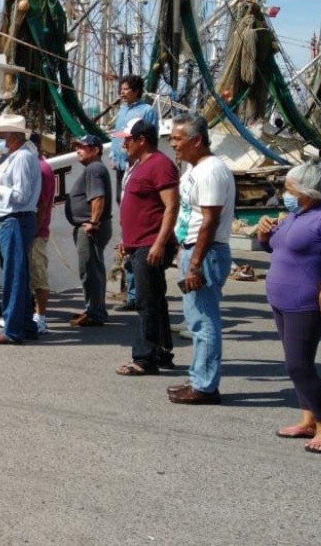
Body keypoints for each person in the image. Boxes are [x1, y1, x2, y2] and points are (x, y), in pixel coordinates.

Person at [256, 162, 321, 453]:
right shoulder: (293, 216)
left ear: (306, 191)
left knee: (298, 366)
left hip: (306, 305)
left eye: (289, 189)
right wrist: (264, 233)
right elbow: (277, 248)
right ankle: (308, 419)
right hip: (282, 303)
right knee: (297, 364)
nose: (284, 193)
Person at [167, 113, 235, 405]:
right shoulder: (197, 169)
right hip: (194, 248)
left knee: (204, 321)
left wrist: (195, 263)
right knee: (196, 319)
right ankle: (199, 377)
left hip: (205, 253)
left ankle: (205, 386)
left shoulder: (211, 171)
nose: (173, 144)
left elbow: (209, 220)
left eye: (178, 139)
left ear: (197, 140)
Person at [113, 119, 180, 376]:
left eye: (127, 139)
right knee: (155, 299)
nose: (124, 144)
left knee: (146, 302)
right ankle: (162, 350)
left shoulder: (160, 165)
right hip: (138, 243)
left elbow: (171, 206)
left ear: (142, 140)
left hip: (150, 244)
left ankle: (144, 358)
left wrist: (160, 242)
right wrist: (126, 238)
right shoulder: (139, 166)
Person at [0, 114, 41, 345]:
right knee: (18, 274)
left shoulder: (22, 158)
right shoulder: (17, 156)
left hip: (15, 219)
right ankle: (25, 324)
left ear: (13, 137)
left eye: (1, 136)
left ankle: (13, 329)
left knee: (13, 276)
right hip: (12, 220)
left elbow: (20, 195)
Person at [111, 75, 159, 311]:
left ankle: (137, 294)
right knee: (126, 226)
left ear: (137, 91)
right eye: (121, 89)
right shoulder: (122, 112)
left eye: (126, 89)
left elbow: (152, 138)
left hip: (137, 168)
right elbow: (117, 140)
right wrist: (115, 158)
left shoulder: (147, 111)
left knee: (138, 229)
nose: (122, 93)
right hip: (122, 169)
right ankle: (131, 292)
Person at [66, 134, 113, 327]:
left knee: (90, 270)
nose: (78, 149)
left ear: (95, 150)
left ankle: (95, 312)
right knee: (93, 269)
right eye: (77, 146)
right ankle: (94, 308)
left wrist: (93, 222)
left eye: (82, 147)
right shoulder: (95, 169)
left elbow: (98, 197)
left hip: (91, 228)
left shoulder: (94, 169)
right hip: (92, 226)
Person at [29, 133, 56, 334]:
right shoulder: (34, 166)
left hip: (36, 233)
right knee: (31, 275)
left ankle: (41, 317)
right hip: (31, 231)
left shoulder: (42, 168)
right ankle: (31, 315)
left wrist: (34, 230)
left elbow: (43, 204)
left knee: (39, 275)